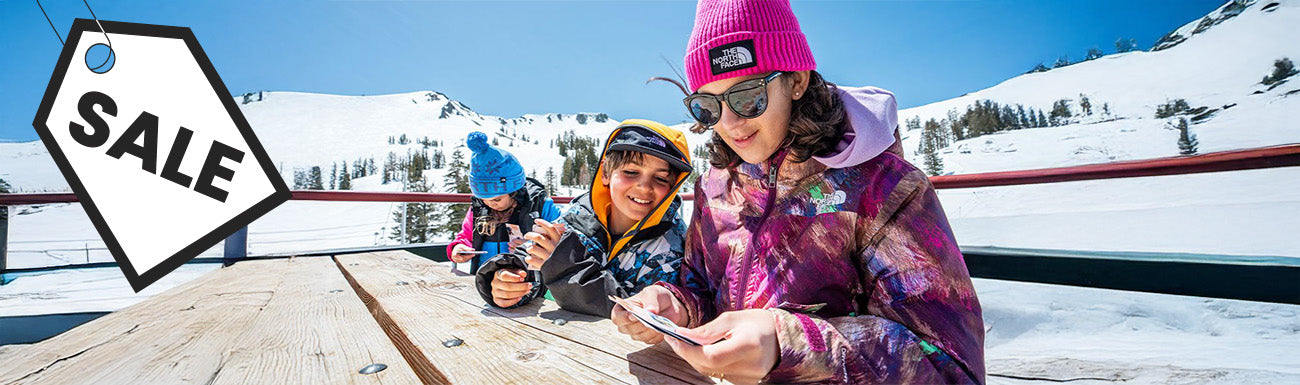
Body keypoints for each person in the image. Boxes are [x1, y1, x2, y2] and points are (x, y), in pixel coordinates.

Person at [611, 1, 986, 384]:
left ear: (796, 81)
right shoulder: (716, 188)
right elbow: (702, 288)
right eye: (708, 106)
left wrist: (787, 343)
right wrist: (675, 306)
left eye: (747, 96)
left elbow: (949, 368)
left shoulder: (884, 188)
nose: (730, 123)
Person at [475, 119, 693, 317]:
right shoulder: (579, 215)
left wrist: (564, 265)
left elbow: (632, 315)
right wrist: (510, 279)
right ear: (606, 174)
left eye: (661, 178)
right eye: (631, 172)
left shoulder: (671, 247)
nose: (644, 187)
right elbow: (536, 256)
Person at [447, 131, 561, 275]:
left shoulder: (539, 204)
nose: (490, 204)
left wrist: (534, 247)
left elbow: (562, 239)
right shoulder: (478, 208)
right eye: (484, 199)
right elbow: (466, 236)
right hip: (486, 280)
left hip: (529, 282)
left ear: (514, 191)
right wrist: (458, 248)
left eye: (496, 199)